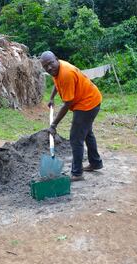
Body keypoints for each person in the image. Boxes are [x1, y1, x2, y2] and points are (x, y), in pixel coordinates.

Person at [39, 51, 103, 182]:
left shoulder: (66, 73)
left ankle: (77, 173)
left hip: (87, 104)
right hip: (89, 99)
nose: (49, 68)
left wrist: (54, 125)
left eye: (50, 63)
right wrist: (51, 98)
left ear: (56, 59)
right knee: (87, 133)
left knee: (75, 138)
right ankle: (96, 162)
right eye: (45, 66)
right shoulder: (57, 69)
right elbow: (57, 84)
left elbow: (68, 103)